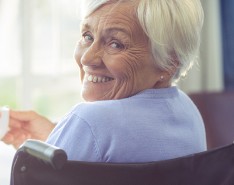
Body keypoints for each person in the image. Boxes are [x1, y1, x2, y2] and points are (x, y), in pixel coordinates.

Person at [1, 0, 206, 162]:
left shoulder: (90, 120)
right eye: (87, 36)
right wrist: (58, 140)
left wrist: (76, 133)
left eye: (116, 44)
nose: (86, 58)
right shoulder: (189, 111)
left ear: (169, 62)